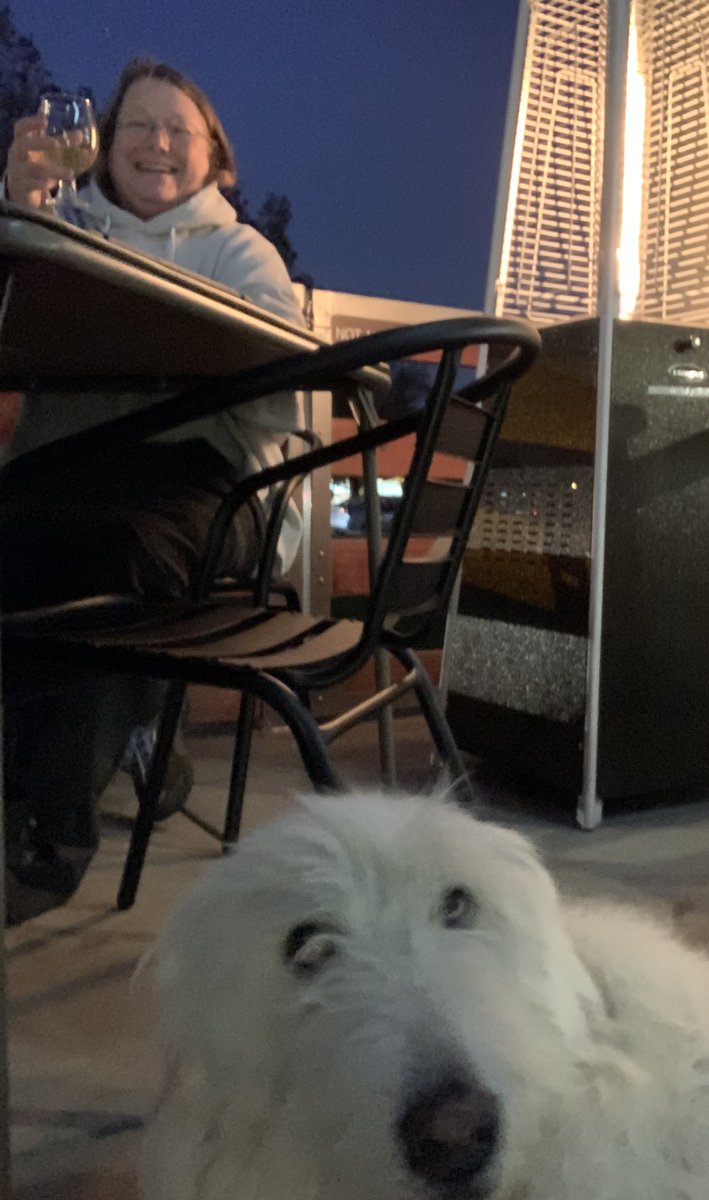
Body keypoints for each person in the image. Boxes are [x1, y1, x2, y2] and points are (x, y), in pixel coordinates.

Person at [1, 59, 307, 921]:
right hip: (57, 477)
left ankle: (45, 836)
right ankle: (143, 737)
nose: (159, 142)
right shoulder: (49, 224)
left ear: (217, 158)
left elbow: (288, 389)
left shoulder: (242, 253)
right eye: (137, 124)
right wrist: (16, 216)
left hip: (201, 487)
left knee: (110, 557)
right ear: (100, 146)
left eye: (181, 128)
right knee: (34, 540)